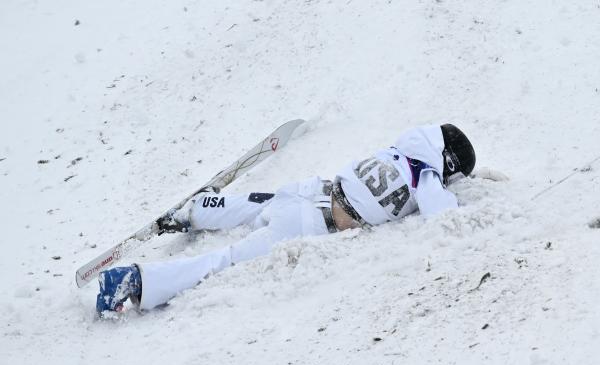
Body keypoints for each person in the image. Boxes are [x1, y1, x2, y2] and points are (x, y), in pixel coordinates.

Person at [96, 123, 476, 314]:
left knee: (254, 204)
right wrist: (447, 192)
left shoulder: (401, 146)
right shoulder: (423, 173)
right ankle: (135, 280)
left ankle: (195, 211)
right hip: (312, 221)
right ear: (449, 163)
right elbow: (439, 214)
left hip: (310, 190)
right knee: (224, 261)